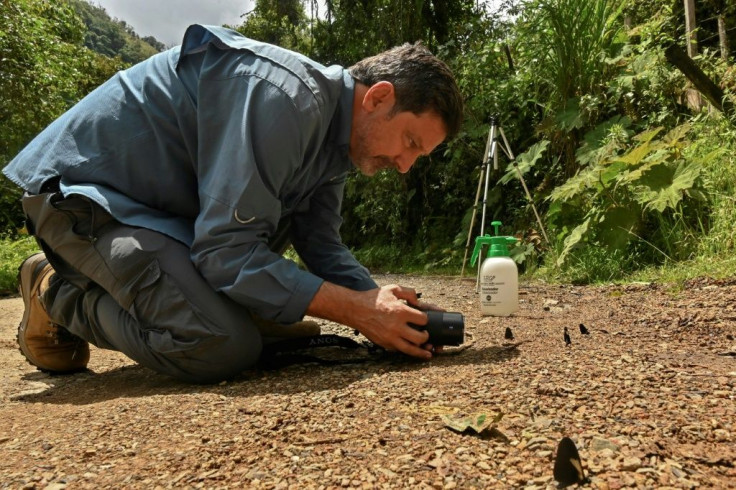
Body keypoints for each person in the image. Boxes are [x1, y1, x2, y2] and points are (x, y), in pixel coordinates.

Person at [4, 24, 464, 383]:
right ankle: (55, 291)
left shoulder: (333, 143)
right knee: (219, 342)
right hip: (87, 201)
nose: (404, 165)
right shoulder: (289, 101)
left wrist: (378, 308)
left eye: (416, 156)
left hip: (168, 223)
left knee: (266, 321)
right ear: (379, 97)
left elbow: (320, 246)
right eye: (409, 142)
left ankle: (184, 297)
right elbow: (225, 253)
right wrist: (357, 311)